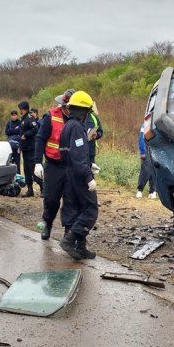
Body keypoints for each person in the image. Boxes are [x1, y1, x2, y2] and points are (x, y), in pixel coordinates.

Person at [58, 91, 99, 260]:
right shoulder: (76, 127)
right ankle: (69, 240)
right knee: (90, 210)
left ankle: (81, 247)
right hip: (78, 176)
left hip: (69, 175)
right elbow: (78, 156)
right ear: (83, 111)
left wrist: (88, 165)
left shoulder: (67, 125)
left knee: (77, 209)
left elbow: (69, 154)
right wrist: (88, 177)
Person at [34, 89, 74, 240]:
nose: (70, 110)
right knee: (51, 199)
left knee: (70, 200)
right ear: (63, 104)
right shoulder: (50, 116)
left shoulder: (79, 118)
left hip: (71, 166)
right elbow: (40, 139)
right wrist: (38, 162)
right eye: (68, 107)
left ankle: (68, 232)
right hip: (53, 165)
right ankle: (47, 223)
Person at [18, 101, 40, 197]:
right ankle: (30, 190)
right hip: (25, 149)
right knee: (26, 170)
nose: (20, 111)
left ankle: (43, 188)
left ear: (25, 109)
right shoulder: (23, 119)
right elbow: (21, 135)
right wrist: (20, 147)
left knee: (33, 169)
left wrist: (26, 135)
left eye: (21, 109)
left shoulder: (29, 118)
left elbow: (35, 129)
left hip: (31, 148)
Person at [136, 116, 156, 199]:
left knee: (155, 171)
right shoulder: (145, 124)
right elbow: (141, 138)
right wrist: (142, 151)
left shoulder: (159, 124)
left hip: (156, 150)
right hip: (146, 150)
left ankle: (153, 191)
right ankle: (139, 190)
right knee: (145, 170)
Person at [4, 110, 22, 175]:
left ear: (17, 115)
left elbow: (20, 131)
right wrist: (15, 130)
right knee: (10, 161)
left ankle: (19, 176)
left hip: (17, 145)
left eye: (15, 115)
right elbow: (6, 132)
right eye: (12, 115)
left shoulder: (20, 122)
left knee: (17, 161)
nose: (13, 116)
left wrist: (11, 131)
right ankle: (11, 176)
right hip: (10, 145)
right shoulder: (9, 123)